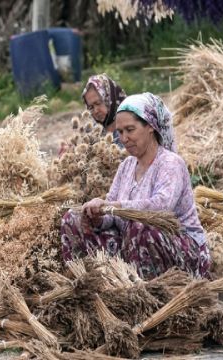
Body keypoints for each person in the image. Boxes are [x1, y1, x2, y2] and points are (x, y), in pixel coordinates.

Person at [60, 93, 210, 280]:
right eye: (120, 132)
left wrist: (118, 207)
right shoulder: (127, 166)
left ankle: (149, 294)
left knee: (141, 225)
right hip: (132, 247)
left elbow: (161, 207)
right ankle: (93, 285)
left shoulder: (170, 164)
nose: (124, 138)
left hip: (181, 249)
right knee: (71, 219)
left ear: (150, 127)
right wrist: (98, 215)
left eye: (130, 130)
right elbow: (112, 215)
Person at [81, 73, 127, 147]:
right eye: (91, 107)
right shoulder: (91, 132)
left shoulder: (130, 126)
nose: (96, 111)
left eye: (98, 103)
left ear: (110, 98)